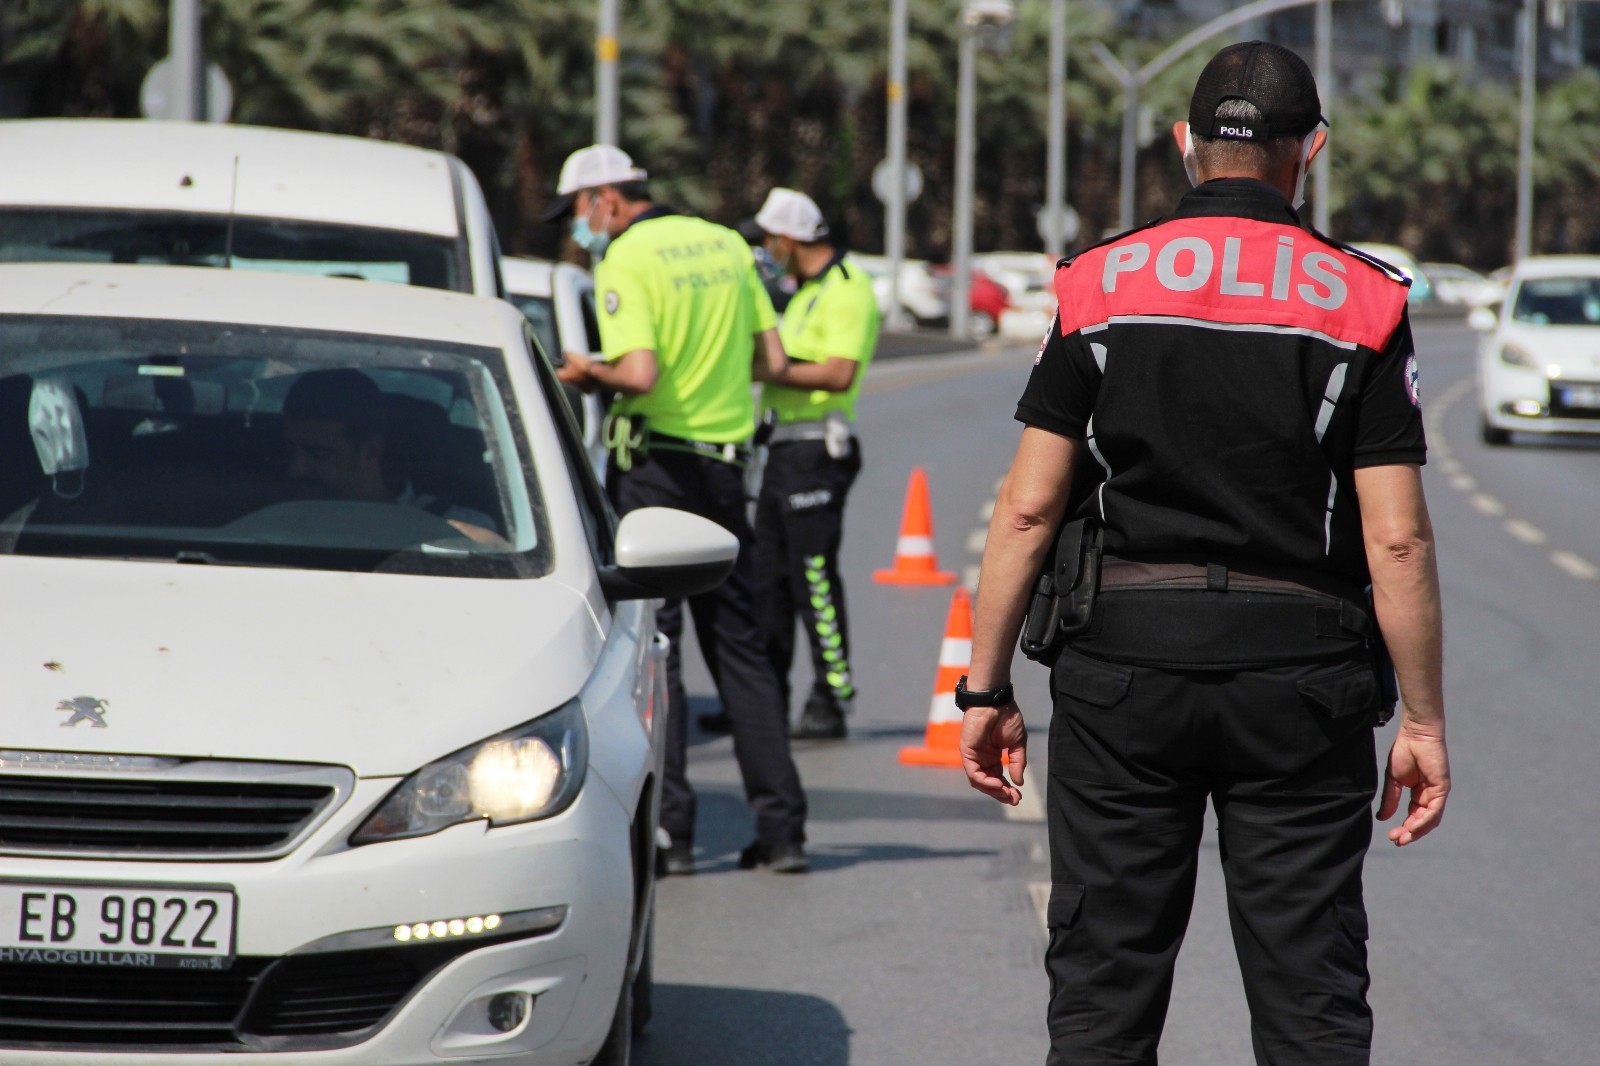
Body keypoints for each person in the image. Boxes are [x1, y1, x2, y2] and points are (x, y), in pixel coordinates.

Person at [957, 42, 1450, 1065]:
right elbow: (1394, 535)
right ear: (1308, 151)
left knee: (1101, 994)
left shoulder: (1097, 284)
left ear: (1182, 144)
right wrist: (1422, 716)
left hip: (1120, 675)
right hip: (1301, 686)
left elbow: (1025, 510)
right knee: (1310, 997)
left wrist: (984, 688)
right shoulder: (1363, 299)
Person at [546, 144, 810, 875]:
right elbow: (774, 364)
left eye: (577, 212)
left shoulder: (627, 259)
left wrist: (583, 372)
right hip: (727, 471)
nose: (579, 229)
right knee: (744, 652)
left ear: (604, 200)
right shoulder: (727, 244)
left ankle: (674, 834)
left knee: (658, 654)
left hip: (658, 469)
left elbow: (639, 372)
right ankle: (783, 832)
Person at [749, 187, 878, 740]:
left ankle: (830, 698)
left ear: (790, 238)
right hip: (781, 451)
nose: (765, 249)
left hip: (816, 453)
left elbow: (838, 373)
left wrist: (762, 370)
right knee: (767, 582)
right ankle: (764, 699)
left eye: (769, 239)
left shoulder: (846, 290)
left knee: (813, 579)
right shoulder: (803, 292)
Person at [281, 368, 502, 542]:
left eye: (318, 454)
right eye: (290, 450)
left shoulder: (457, 526)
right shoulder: (267, 513)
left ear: (370, 451)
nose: (295, 469)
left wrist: (475, 540)